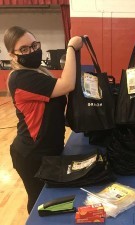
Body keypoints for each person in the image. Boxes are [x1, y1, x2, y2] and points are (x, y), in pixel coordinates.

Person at [3, 26, 83, 213]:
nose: (32, 51)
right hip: (32, 154)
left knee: (51, 202)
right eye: (24, 49)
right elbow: (67, 84)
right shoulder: (21, 78)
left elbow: (50, 112)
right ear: (12, 55)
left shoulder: (40, 72)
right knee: (39, 202)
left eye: (34, 45)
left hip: (49, 149)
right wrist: (71, 47)